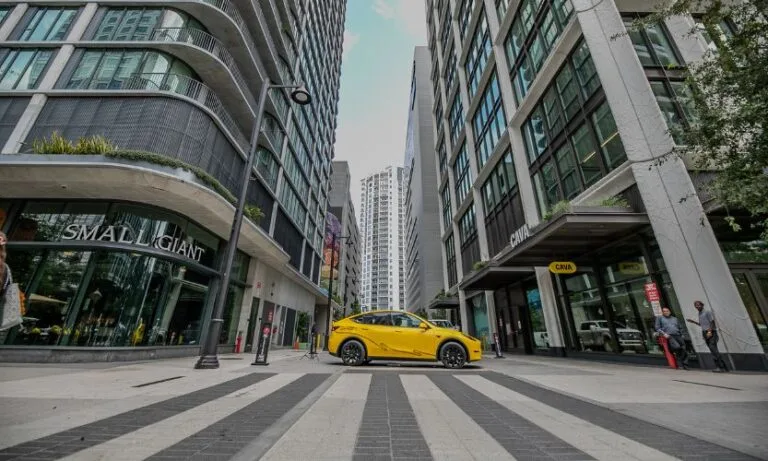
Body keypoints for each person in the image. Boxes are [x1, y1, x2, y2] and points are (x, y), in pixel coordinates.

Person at [687, 300, 728, 372]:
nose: (697, 306)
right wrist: (693, 322)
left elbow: (712, 322)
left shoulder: (707, 312)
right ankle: (723, 367)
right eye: (696, 305)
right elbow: (702, 324)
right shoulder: (699, 313)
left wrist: (709, 331)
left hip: (711, 332)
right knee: (713, 350)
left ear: (702, 305)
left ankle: (721, 367)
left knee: (713, 349)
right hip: (705, 332)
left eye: (698, 305)